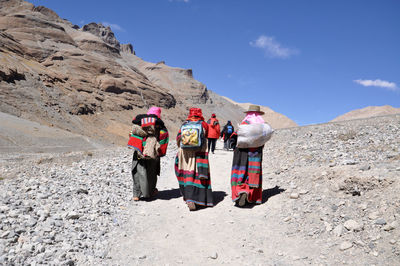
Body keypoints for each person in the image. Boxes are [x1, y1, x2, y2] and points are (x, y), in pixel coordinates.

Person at [175, 108, 214, 211]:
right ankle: (199, 199)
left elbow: (178, 138)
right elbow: (206, 137)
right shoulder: (204, 124)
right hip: (199, 153)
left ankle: (189, 198)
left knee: (188, 174)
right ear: (200, 114)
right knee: (197, 175)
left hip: (186, 154)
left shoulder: (184, 124)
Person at [128, 106, 169, 201]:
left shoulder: (139, 122)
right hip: (153, 152)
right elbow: (164, 137)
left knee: (137, 172)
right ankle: (149, 192)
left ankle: (136, 194)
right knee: (151, 173)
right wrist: (160, 152)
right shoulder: (160, 126)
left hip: (139, 151)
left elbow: (131, 134)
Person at [231, 105, 265, 207]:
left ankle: (241, 191)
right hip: (256, 153)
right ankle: (251, 195)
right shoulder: (262, 125)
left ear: (248, 113)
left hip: (241, 152)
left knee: (240, 171)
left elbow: (234, 136)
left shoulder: (245, 123)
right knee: (253, 173)